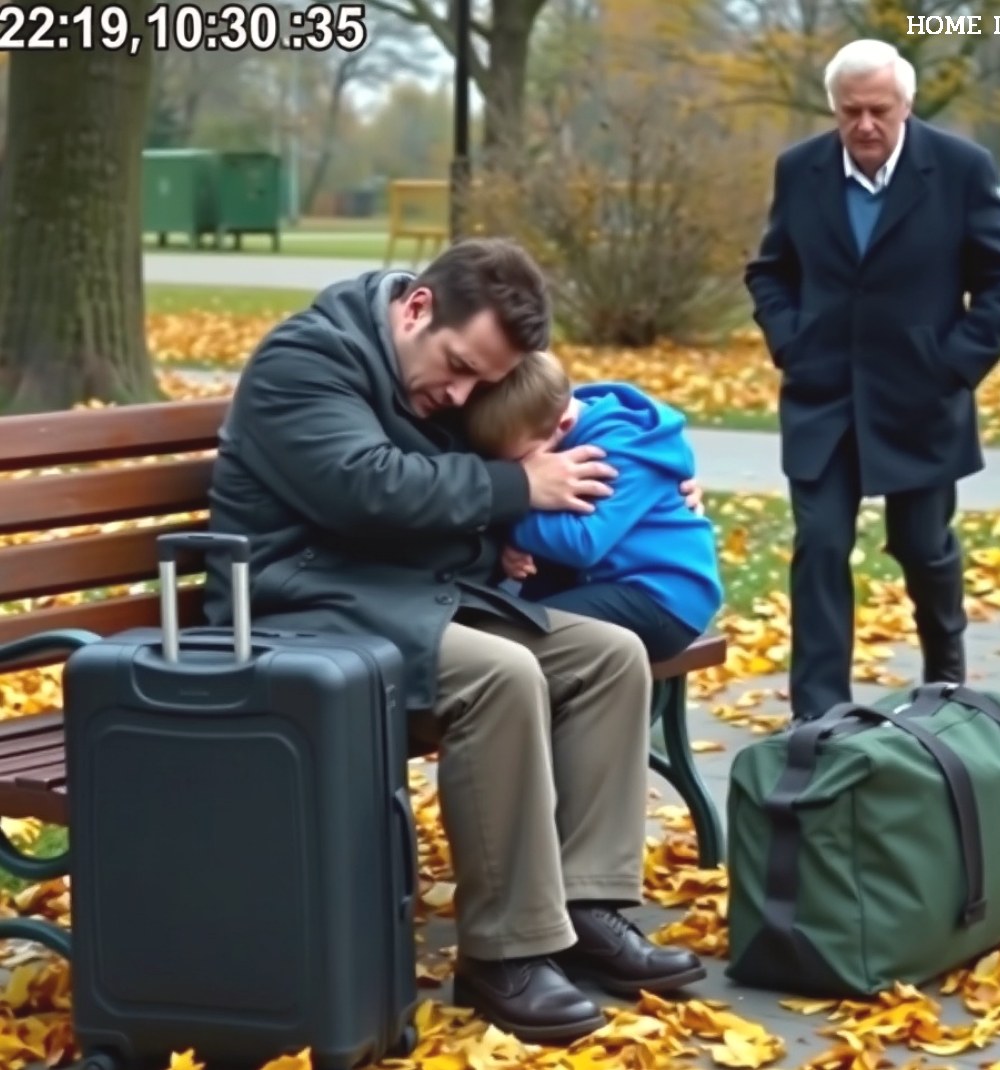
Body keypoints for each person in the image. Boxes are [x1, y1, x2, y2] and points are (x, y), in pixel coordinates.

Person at [202, 238, 708, 1046]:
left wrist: (653, 467)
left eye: (482, 381)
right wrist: (520, 486)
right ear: (416, 309)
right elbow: (365, 488)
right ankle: (506, 953)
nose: (464, 394)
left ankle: (585, 908)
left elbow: (545, 411)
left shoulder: (434, 369)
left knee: (607, 656)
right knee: (500, 675)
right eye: (462, 368)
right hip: (298, 605)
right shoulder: (307, 361)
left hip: (404, 599)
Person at [744, 39, 1000, 723]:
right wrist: (791, 341)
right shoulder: (801, 169)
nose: (865, 125)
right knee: (820, 545)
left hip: (921, 399)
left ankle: (946, 681)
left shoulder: (960, 168)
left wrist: (955, 364)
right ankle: (818, 717)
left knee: (922, 547)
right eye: (851, 111)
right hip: (823, 397)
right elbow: (770, 271)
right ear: (834, 109)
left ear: (906, 104)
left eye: (879, 109)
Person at [462, 349, 724, 662]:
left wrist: (510, 518)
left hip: (662, 598)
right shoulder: (549, 422)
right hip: (605, 583)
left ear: (564, 424)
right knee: (504, 627)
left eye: (520, 460)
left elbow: (583, 541)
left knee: (512, 636)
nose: (520, 472)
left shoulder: (618, 449)